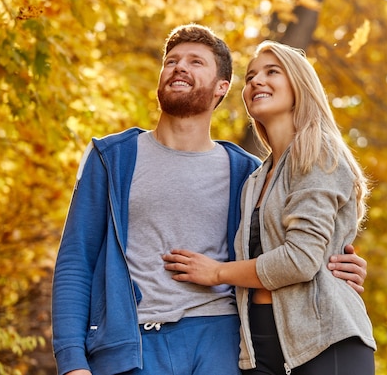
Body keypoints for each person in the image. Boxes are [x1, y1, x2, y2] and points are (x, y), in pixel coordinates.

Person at [51, 24, 368, 375]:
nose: (179, 67)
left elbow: (291, 249)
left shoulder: (244, 173)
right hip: (132, 346)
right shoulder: (113, 158)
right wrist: (71, 361)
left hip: (224, 346)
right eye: (171, 61)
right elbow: (75, 262)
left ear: (222, 88)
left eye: (195, 61)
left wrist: (337, 262)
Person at [163, 41, 376, 375]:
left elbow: (301, 260)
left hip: (323, 341)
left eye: (271, 72)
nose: (256, 81)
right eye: (250, 77)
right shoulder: (255, 178)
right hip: (259, 346)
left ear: (299, 85)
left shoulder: (318, 152)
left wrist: (217, 272)